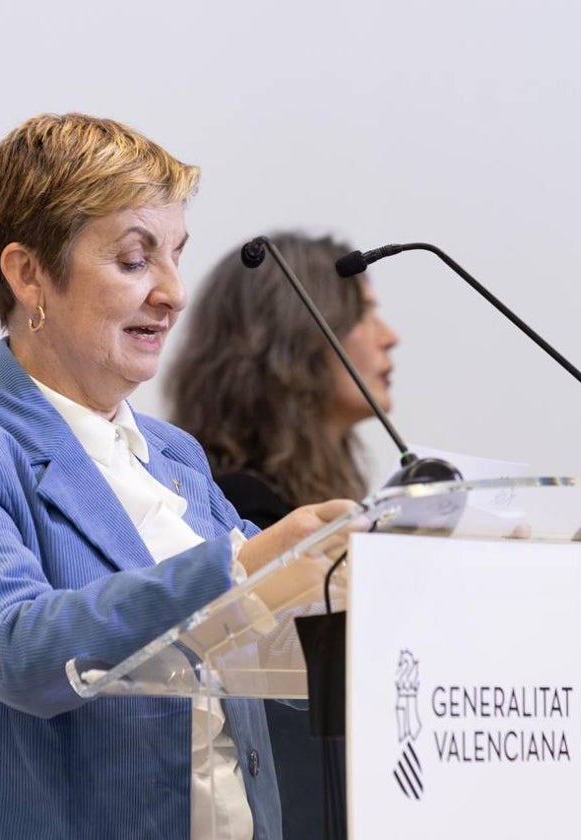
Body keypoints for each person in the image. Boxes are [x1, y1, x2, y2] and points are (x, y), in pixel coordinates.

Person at [0, 114, 356, 840]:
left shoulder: (175, 458)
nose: (174, 292)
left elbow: (269, 667)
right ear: (29, 273)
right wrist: (245, 566)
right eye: (136, 261)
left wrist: (366, 592)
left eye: (176, 256)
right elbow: (18, 649)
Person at [165, 232, 400, 839]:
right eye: (363, 313)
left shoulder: (325, 498)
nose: (389, 335)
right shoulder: (234, 513)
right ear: (295, 340)